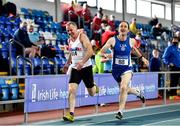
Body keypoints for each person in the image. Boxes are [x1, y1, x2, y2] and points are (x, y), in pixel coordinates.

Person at [100, 21, 149, 120]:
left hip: (127, 69)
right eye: (121, 26)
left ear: (128, 29)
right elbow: (101, 51)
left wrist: (142, 58)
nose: (123, 28)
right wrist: (107, 55)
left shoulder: (131, 41)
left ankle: (120, 111)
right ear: (118, 29)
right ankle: (138, 93)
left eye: (125, 26)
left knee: (123, 87)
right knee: (126, 89)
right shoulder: (112, 40)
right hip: (116, 70)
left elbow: (134, 50)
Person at [62, 21, 99, 122]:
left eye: (71, 30)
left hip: (86, 67)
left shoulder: (82, 37)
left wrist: (82, 62)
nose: (69, 32)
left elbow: (91, 51)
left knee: (91, 93)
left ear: (76, 28)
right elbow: (72, 52)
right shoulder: (70, 40)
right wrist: (67, 63)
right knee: (72, 89)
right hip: (75, 68)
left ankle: (94, 86)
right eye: (67, 31)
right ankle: (71, 114)